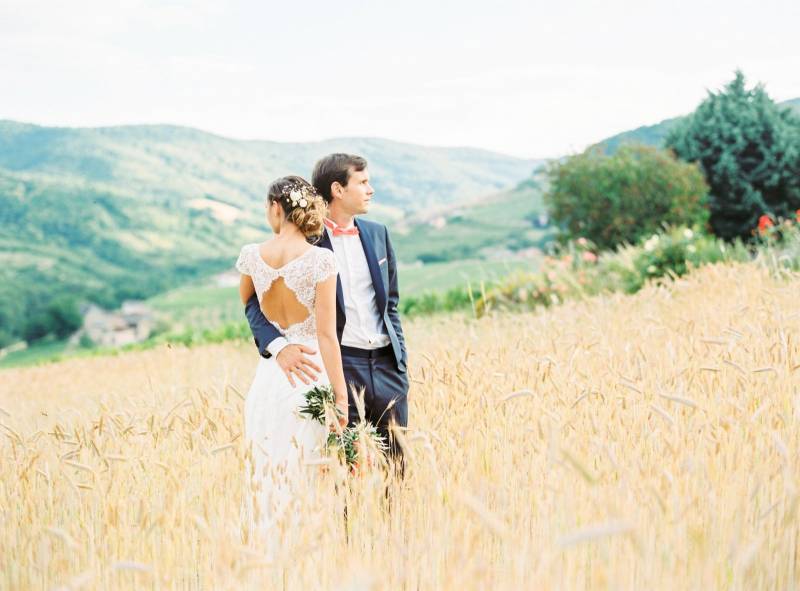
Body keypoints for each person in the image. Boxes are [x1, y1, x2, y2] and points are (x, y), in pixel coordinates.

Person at [243, 153, 409, 469]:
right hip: (339, 365)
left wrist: (399, 358)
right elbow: (253, 300)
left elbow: (391, 302)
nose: (371, 189)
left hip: (389, 367)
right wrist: (278, 347)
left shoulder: (378, 233)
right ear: (337, 189)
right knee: (342, 471)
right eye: (363, 182)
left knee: (395, 467)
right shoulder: (306, 245)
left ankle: (393, 520)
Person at [237, 175, 346, 539]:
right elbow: (327, 336)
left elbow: (249, 305)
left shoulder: (253, 255)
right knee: (307, 475)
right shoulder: (321, 261)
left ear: (276, 208)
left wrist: (278, 345)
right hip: (310, 374)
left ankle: (267, 554)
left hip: (268, 380)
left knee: (266, 474)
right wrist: (342, 399)